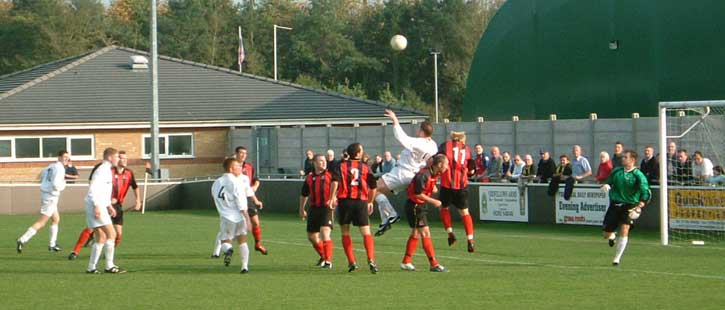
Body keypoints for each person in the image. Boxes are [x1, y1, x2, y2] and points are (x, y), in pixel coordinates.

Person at [373, 109, 437, 236]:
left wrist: (394, 120)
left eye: (419, 129)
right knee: (380, 193)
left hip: (402, 172)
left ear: (422, 131)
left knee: (373, 189)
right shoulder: (433, 146)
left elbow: (401, 137)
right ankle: (385, 220)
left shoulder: (418, 142)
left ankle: (391, 215)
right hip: (412, 175)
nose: (418, 131)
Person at [68, 151, 140, 260]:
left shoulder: (128, 173)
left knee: (117, 234)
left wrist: (138, 200)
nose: (124, 160)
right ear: (114, 158)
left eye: (126, 158)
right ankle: (76, 251)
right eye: (120, 157)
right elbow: (93, 185)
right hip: (102, 204)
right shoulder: (106, 170)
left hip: (116, 206)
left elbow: (135, 186)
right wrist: (103, 203)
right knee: (95, 230)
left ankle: (105, 256)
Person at [329, 143, 379, 273]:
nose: (362, 152)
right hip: (360, 202)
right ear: (357, 154)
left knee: (345, 232)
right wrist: (370, 202)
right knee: (366, 232)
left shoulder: (340, 166)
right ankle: (371, 259)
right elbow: (373, 187)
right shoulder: (366, 167)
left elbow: (335, 182)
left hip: (345, 201)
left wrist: (331, 197)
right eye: (361, 150)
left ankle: (351, 262)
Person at [212, 146, 266, 257]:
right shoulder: (231, 168)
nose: (243, 155)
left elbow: (254, 181)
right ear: (236, 154)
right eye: (241, 153)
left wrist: (255, 196)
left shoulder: (249, 167)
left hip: (245, 199)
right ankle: (217, 251)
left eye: (245, 153)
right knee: (229, 228)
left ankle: (257, 244)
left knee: (255, 222)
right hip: (234, 202)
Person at [601, 150, 651, 266]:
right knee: (606, 234)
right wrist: (606, 185)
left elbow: (646, 191)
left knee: (624, 229)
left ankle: (617, 258)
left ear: (632, 160)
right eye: (622, 157)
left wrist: (640, 205)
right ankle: (612, 236)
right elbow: (609, 181)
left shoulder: (638, 175)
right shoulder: (617, 171)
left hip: (629, 205)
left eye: (625, 157)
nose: (622, 159)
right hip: (615, 204)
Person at [401, 154, 449, 272]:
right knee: (425, 233)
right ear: (440, 164)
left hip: (420, 206)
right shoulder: (424, 175)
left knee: (416, 233)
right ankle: (433, 263)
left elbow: (427, 187)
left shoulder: (434, 173)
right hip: (415, 206)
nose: (447, 167)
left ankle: (406, 261)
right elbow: (417, 193)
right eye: (446, 165)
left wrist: (432, 188)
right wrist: (434, 201)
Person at [16, 151, 69, 253]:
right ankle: (22, 239)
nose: (66, 159)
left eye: (68, 158)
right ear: (59, 157)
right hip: (50, 197)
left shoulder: (50, 166)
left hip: (47, 195)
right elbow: (56, 184)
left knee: (56, 219)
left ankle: (52, 245)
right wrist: (63, 185)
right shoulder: (60, 168)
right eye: (64, 157)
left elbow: (41, 176)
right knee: (42, 222)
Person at [84, 148, 124, 274]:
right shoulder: (102, 170)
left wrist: (109, 205)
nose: (119, 159)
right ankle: (109, 266)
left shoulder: (107, 169)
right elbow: (93, 189)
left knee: (100, 237)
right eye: (117, 156)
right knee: (111, 234)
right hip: (95, 204)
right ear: (110, 157)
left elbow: (103, 191)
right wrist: (97, 205)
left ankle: (91, 267)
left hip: (99, 204)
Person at [437, 131, 477, 252]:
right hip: (462, 186)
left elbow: (438, 162)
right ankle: (470, 240)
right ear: (462, 139)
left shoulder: (444, 146)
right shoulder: (467, 149)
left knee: (444, 208)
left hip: (446, 185)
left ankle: (450, 233)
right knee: (465, 213)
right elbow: (472, 171)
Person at [299, 154, 334, 269]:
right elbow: (304, 194)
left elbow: (338, 186)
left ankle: (328, 261)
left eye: (324, 161)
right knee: (312, 237)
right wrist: (301, 209)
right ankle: (323, 256)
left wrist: (334, 198)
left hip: (326, 207)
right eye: (321, 161)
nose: (324, 163)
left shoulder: (331, 175)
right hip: (314, 208)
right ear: (314, 163)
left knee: (325, 232)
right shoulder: (309, 178)